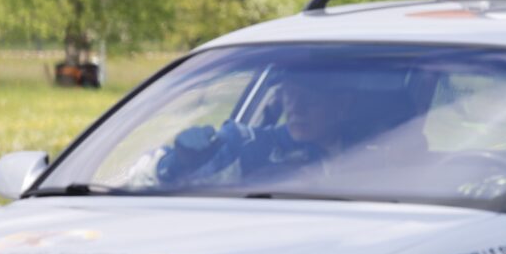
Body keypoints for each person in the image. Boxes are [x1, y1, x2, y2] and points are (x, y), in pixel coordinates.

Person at [153, 84, 369, 187]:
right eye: (290, 96)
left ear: (342, 105)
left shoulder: (380, 148)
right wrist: (177, 163)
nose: (296, 109)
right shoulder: (249, 145)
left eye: (310, 99)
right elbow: (149, 180)